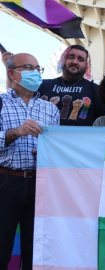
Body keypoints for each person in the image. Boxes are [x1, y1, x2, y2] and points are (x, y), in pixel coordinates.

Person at [0, 53, 59, 269]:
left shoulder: (50, 109)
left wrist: (46, 151)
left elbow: (56, 148)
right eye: (28, 67)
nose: (35, 72)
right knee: (2, 246)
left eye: (38, 68)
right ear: (12, 74)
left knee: (36, 249)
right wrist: (16, 132)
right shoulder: (0, 103)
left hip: (40, 184)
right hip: (6, 182)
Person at [37, 44, 105, 126]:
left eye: (80, 59)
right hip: (46, 138)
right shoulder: (42, 85)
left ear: (86, 65)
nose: (74, 62)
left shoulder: (96, 90)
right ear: (63, 60)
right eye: (71, 57)